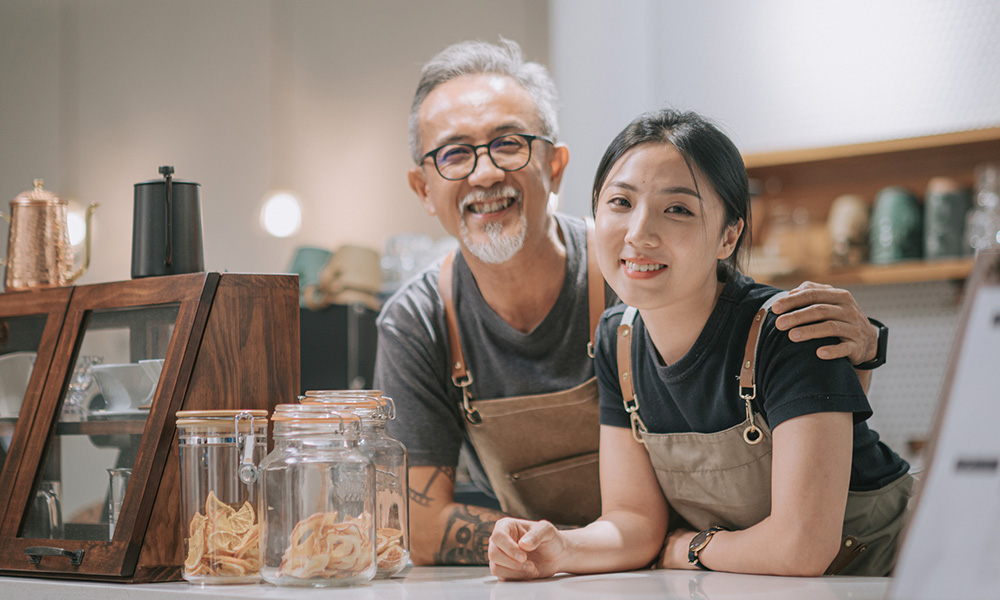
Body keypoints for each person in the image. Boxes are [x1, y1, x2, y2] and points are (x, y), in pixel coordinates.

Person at [375, 39, 887, 567]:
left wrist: (864, 352)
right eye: (455, 153)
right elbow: (419, 522)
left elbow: (800, 517)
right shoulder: (433, 323)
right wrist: (557, 549)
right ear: (422, 186)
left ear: (555, 167)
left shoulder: (650, 278)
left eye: (509, 144)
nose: (484, 173)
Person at [487, 109, 913, 579]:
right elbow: (633, 521)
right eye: (620, 203)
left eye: (678, 209)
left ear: (729, 235)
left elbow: (802, 547)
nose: (638, 233)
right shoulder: (618, 341)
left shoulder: (789, 330)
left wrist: (691, 547)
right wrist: (560, 549)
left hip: (900, 574)